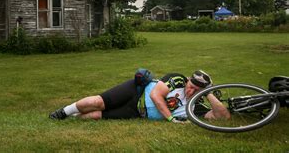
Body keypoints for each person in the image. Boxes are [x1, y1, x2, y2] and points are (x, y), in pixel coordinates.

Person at [49, 70, 230, 122]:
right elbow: (156, 95)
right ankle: (64, 112)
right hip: (136, 92)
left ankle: (74, 116)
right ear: (188, 80)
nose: (191, 92)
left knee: (95, 115)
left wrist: (209, 94)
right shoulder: (178, 79)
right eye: (191, 87)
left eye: (197, 91)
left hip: (137, 113)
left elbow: (223, 116)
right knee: (98, 102)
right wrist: (170, 119)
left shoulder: (196, 106)